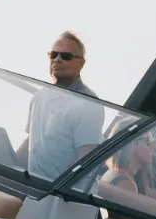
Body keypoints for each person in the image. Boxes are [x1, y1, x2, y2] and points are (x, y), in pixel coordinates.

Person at [23, 32, 104, 180]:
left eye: (65, 56)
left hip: (62, 197)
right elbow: (30, 144)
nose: (57, 60)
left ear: (81, 63)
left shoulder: (89, 104)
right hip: (33, 191)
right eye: (53, 55)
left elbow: (86, 162)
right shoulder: (39, 97)